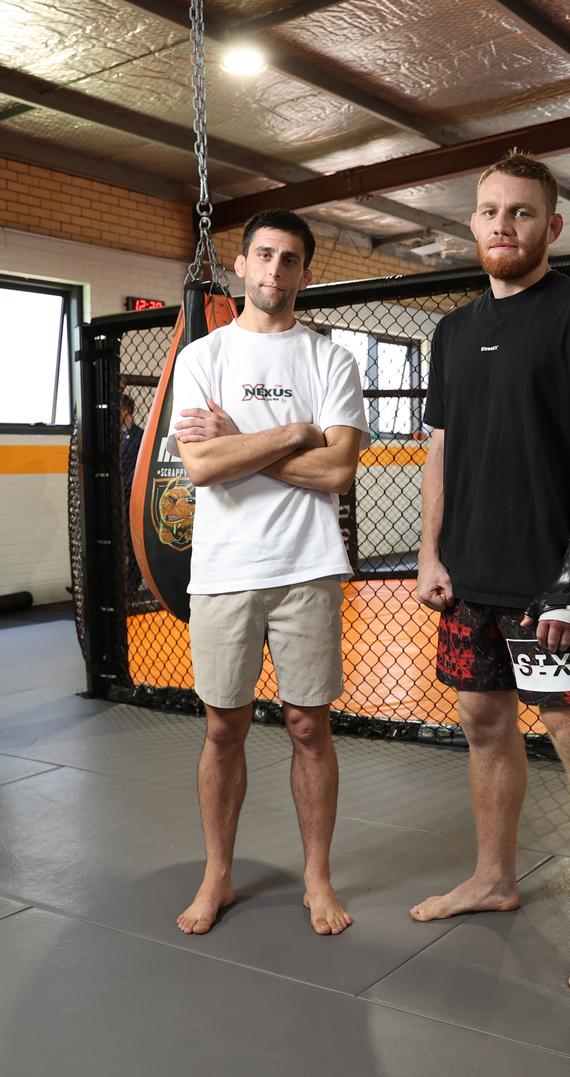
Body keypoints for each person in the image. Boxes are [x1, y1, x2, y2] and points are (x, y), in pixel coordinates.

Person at [414, 151, 570, 991]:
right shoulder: (452, 331)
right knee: (481, 720)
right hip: (468, 577)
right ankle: (494, 877)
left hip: (548, 586)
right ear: (472, 222)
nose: (502, 225)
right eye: (489, 211)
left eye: (520, 213)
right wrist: (432, 553)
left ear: (553, 226)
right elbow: (441, 451)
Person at [168, 209, 370, 937]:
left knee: (308, 724)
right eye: (263, 255)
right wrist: (289, 433)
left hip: (307, 566)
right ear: (242, 264)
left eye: (289, 260)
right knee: (224, 727)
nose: (274, 271)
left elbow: (339, 470)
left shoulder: (330, 359)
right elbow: (200, 465)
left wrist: (242, 440)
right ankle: (217, 872)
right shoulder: (204, 357)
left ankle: (317, 876)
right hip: (224, 569)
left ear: (305, 274)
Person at [120, 393, 144, 596]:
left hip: (131, 496)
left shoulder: (140, 437)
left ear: (126, 411)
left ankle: (133, 585)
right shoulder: (111, 437)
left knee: (131, 542)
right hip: (115, 497)